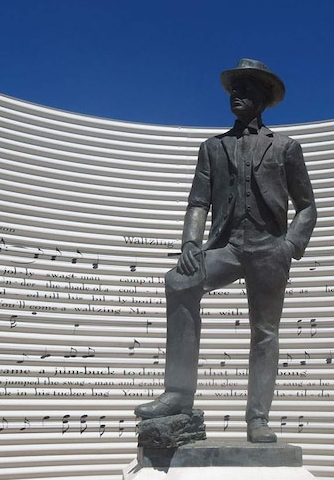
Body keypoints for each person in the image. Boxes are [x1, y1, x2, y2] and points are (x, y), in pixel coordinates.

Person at [134, 58, 317, 443]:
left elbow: (307, 206)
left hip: (270, 249)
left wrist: (290, 246)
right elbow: (198, 202)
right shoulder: (212, 148)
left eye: (247, 87)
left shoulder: (285, 148)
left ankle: (257, 419)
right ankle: (178, 394)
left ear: (264, 98)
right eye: (235, 87)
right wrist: (189, 243)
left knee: (264, 332)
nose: (237, 93)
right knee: (179, 282)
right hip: (228, 245)